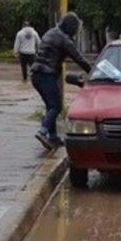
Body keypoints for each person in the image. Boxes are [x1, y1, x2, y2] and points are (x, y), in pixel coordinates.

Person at [30, 12, 91, 150]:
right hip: (46, 75)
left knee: (50, 105)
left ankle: (53, 137)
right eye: (76, 28)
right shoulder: (64, 39)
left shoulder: (51, 32)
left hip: (36, 75)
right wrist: (92, 72)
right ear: (72, 27)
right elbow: (79, 58)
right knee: (56, 106)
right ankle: (43, 132)